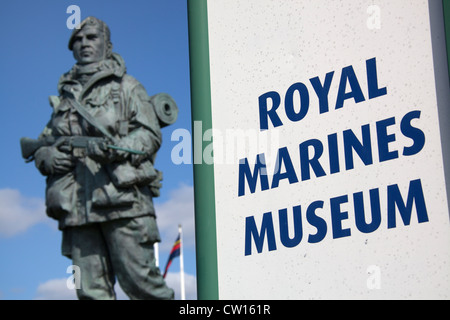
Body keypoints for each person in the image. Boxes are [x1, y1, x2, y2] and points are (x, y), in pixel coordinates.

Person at [32, 16, 174, 300]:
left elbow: (149, 135)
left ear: (107, 46)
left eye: (92, 37)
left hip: (122, 201)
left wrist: (117, 148)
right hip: (77, 207)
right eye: (78, 39)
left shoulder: (127, 87)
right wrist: (45, 156)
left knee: (142, 285)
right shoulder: (64, 98)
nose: (84, 43)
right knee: (90, 292)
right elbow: (43, 142)